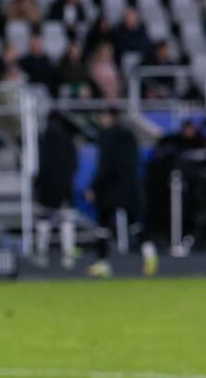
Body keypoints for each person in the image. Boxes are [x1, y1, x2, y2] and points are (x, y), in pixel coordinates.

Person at [85, 109, 157, 278]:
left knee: (102, 226)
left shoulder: (107, 137)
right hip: (130, 187)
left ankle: (102, 263)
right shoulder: (129, 137)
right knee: (135, 224)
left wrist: (94, 187)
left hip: (110, 189)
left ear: (108, 117)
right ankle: (149, 253)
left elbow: (106, 166)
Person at [33, 112, 78, 269]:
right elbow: (74, 164)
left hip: (47, 187)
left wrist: (37, 183)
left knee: (44, 221)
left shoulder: (44, 139)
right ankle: (68, 256)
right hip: (65, 186)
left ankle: (41, 254)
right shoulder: (68, 140)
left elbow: (43, 164)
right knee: (67, 221)